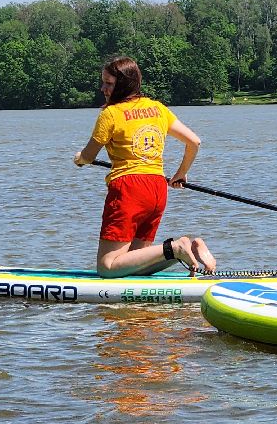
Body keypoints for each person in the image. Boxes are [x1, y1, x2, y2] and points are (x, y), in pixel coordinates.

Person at [74, 56, 218, 278]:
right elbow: (194, 142)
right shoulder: (158, 108)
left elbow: (89, 155)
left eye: (109, 83)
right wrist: (181, 173)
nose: (103, 88)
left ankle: (177, 247)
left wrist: (80, 159)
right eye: (103, 82)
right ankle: (185, 248)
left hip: (128, 189)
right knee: (135, 266)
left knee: (107, 267)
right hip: (157, 188)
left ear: (124, 84)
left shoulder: (110, 114)